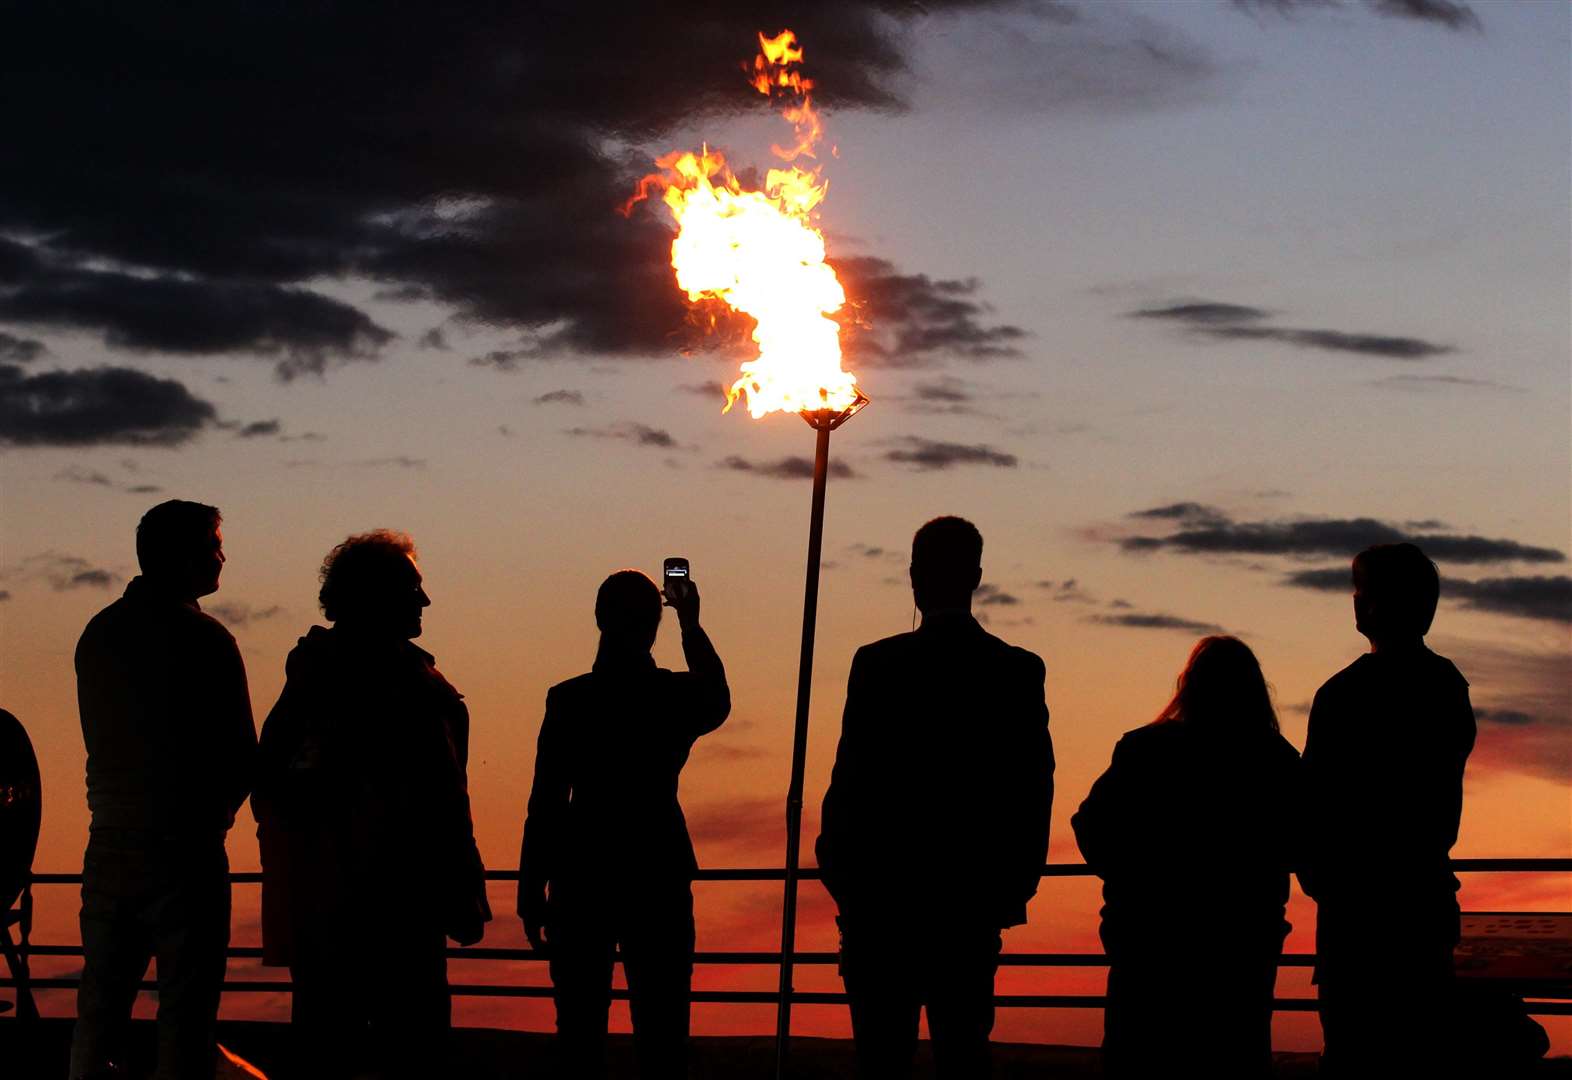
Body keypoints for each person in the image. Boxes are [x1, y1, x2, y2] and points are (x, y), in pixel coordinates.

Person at [816, 516, 1055, 1080]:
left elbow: (849, 780)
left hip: (881, 903)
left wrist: (842, 877)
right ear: (975, 577)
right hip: (969, 905)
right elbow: (1033, 786)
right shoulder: (1015, 670)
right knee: (964, 1056)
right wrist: (1014, 884)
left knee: (880, 1060)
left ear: (914, 578)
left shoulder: (877, 664)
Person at [253, 530, 489, 1079]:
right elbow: (445, 801)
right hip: (394, 909)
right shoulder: (405, 685)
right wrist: (462, 888)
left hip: (334, 909)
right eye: (412, 588)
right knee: (409, 1051)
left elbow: (270, 786)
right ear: (375, 595)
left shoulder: (318, 679)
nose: (424, 601)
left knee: (330, 1048)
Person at [70, 500, 256, 1080]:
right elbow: (241, 755)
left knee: (99, 1007)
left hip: (109, 841)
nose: (222, 556)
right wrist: (214, 817)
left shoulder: (99, 633)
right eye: (213, 544)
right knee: (186, 1011)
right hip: (186, 847)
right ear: (182, 556)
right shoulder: (205, 639)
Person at [518, 568, 729, 1079]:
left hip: (582, 875)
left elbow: (545, 801)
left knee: (579, 1036)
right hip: (657, 870)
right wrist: (692, 625)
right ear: (655, 624)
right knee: (663, 1033)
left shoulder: (568, 699)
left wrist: (531, 889)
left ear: (598, 619)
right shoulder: (672, 696)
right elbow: (717, 698)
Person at [1072, 636, 1302, 1079]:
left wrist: (1132, 879)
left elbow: (1090, 826)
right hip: (1241, 946)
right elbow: (1302, 839)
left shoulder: (1143, 750)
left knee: (1139, 1059)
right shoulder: (1276, 761)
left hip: (1148, 942)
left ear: (1188, 685)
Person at [1299, 542, 1475, 1077]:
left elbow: (1312, 799)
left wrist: (1320, 875)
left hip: (1354, 910)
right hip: (1421, 899)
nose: (1356, 604)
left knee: (1356, 1054)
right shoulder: (1446, 685)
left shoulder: (1344, 693)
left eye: (1361, 592)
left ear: (1373, 606)